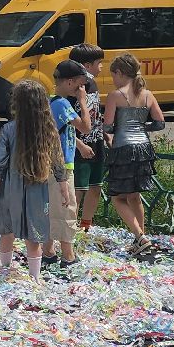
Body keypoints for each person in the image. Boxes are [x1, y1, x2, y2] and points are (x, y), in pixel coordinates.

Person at [0, 80, 62, 279]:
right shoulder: (48, 128)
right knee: (34, 236)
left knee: (7, 231)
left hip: (11, 187)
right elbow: (58, 160)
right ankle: (35, 277)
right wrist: (64, 189)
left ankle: (5, 270)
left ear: (17, 103)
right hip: (38, 187)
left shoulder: (8, 129)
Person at [103, 53, 166, 256]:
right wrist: (141, 126)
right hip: (143, 149)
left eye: (113, 75)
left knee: (117, 197)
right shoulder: (147, 94)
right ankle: (141, 238)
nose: (113, 79)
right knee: (135, 196)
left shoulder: (115, 95)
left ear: (120, 73)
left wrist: (120, 127)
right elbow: (160, 123)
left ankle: (140, 236)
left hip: (123, 148)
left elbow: (108, 126)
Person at [45, 60, 89, 271]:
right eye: (81, 84)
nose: (83, 88)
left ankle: (48, 251)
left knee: (49, 207)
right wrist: (83, 102)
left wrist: (79, 146)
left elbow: (63, 130)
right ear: (70, 82)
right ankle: (68, 255)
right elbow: (86, 127)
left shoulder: (50, 101)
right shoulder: (63, 104)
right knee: (67, 207)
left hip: (49, 162)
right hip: (62, 165)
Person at [69, 45, 107, 236]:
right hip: (80, 144)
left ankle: (86, 225)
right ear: (86, 65)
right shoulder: (74, 88)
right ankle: (70, 226)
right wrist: (79, 143)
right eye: (99, 63)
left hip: (96, 140)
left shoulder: (94, 85)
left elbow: (95, 114)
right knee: (78, 188)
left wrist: (105, 134)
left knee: (95, 185)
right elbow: (65, 121)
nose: (101, 67)